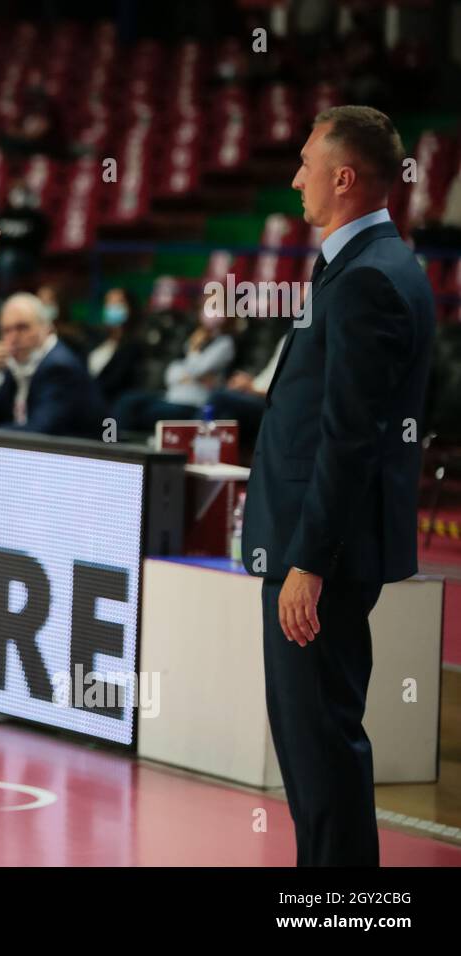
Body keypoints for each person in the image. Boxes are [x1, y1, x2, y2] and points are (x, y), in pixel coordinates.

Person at [242, 107, 434, 867]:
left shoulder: (369, 280)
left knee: (320, 749)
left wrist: (308, 562)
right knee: (315, 747)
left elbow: (350, 440)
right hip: (314, 548)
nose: (295, 179)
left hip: (317, 556)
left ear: (344, 178)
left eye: (304, 164)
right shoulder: (372, 266)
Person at [0, 292, 105, 438]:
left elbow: (36, 434)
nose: (13, 338)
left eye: (22, 328)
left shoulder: (59, 367)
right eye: (6, 330)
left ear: (47, 328)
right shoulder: (18, 367)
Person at [112, 299, 235, 431]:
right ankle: (113, 445)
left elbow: (197, 369)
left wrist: (194, 351)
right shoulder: (193, 337)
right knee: (127, 400)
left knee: (146, 413)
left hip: (193, 403)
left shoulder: (225, 343)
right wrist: (188, 375)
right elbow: (171, 372)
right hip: (171, 396)